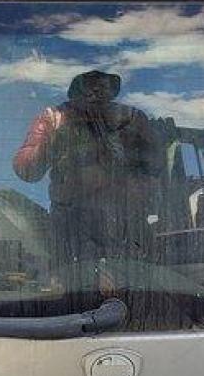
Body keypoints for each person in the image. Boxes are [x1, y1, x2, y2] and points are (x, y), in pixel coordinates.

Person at [13, 71, 163, 276]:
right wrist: (51, 144)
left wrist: (125, 181)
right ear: (76, 91)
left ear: (112, 91)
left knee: (137, 284)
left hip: (125, 226)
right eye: (89, 86)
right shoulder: (53, 119)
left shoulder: (131, 119)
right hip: (70, 226)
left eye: (102, 86)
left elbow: (157, 168)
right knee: (71, 283)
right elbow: (25, 169)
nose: (95, 92)